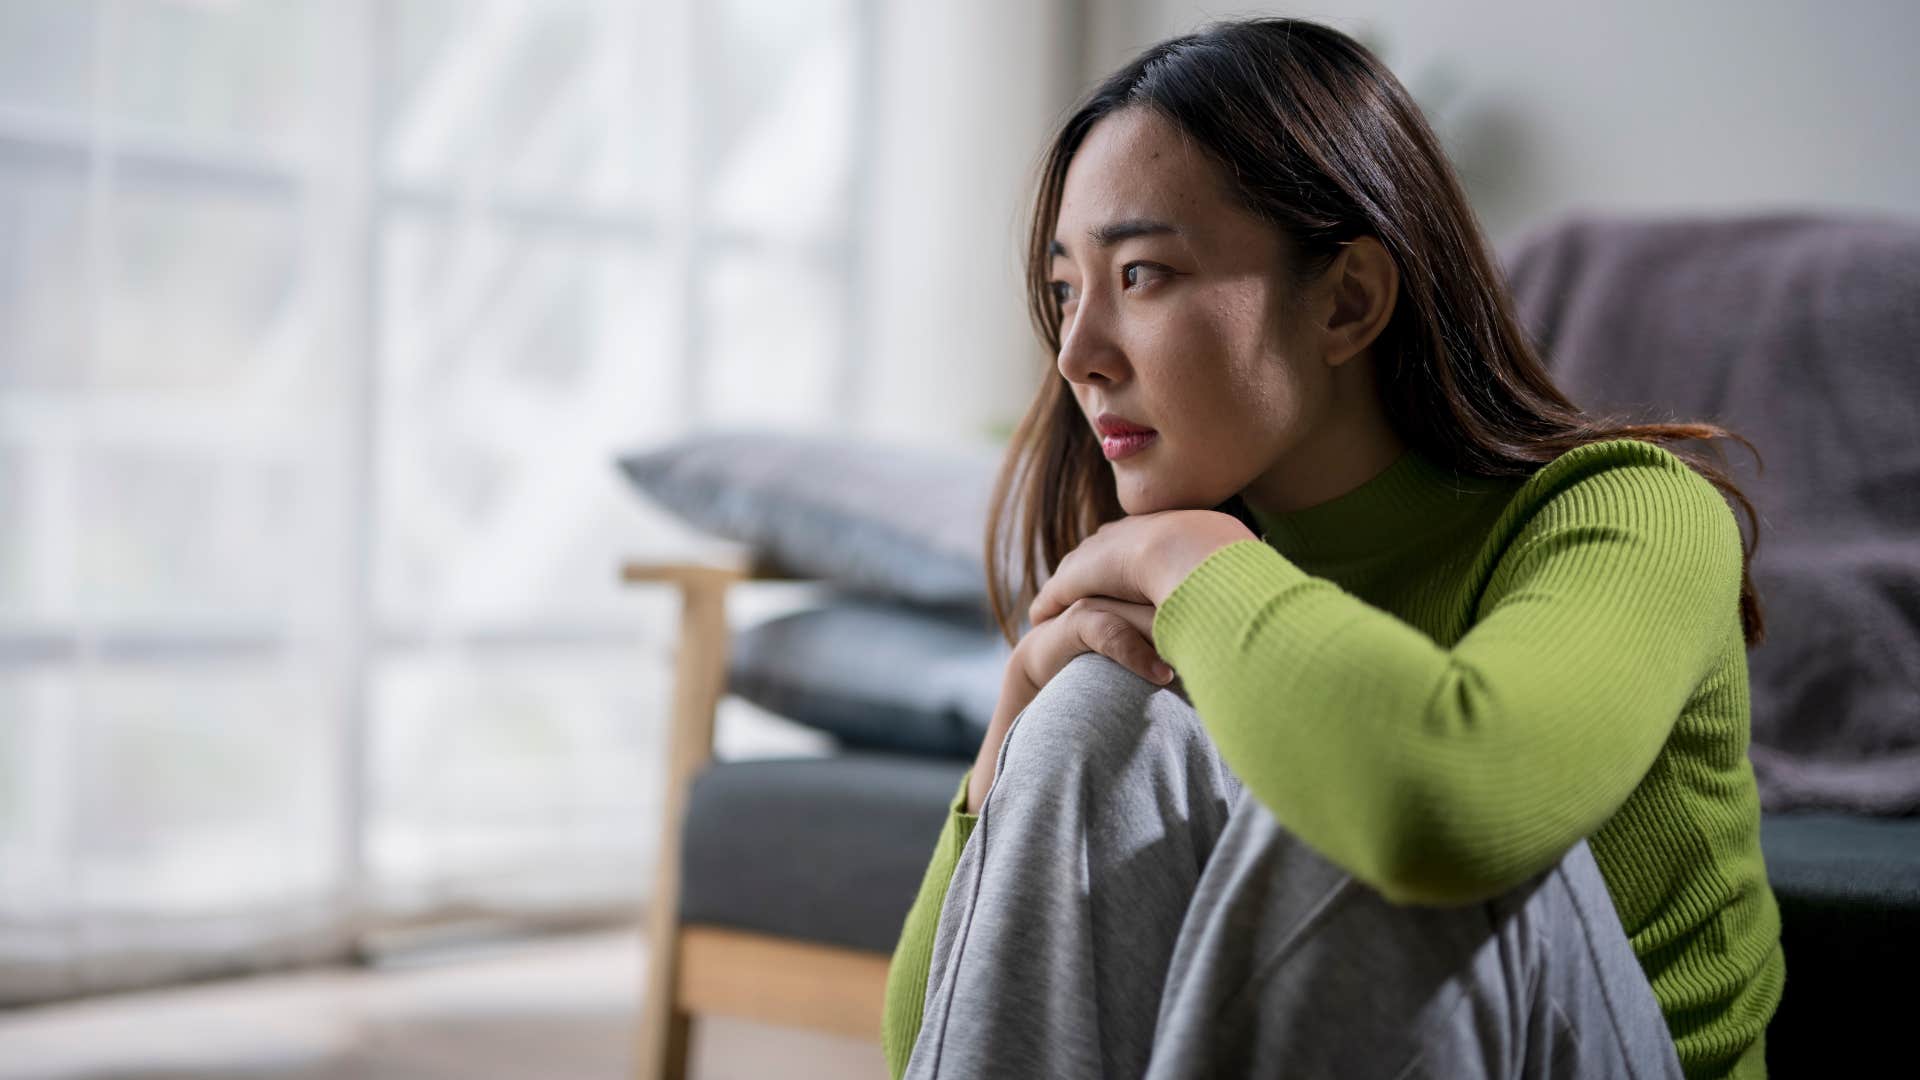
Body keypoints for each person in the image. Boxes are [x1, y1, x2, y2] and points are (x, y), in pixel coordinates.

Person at [879, 16, 1784, 1080]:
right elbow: (922, 1044)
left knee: (1346, 788)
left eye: (1142, 276)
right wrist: (1007, 746)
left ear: (1347, 300)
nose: (1076, 355)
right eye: (1067, 287)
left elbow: (1439, 811)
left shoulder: (1636, 513)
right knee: (1092, 709)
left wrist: (1192, 562)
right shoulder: (1215, 594)